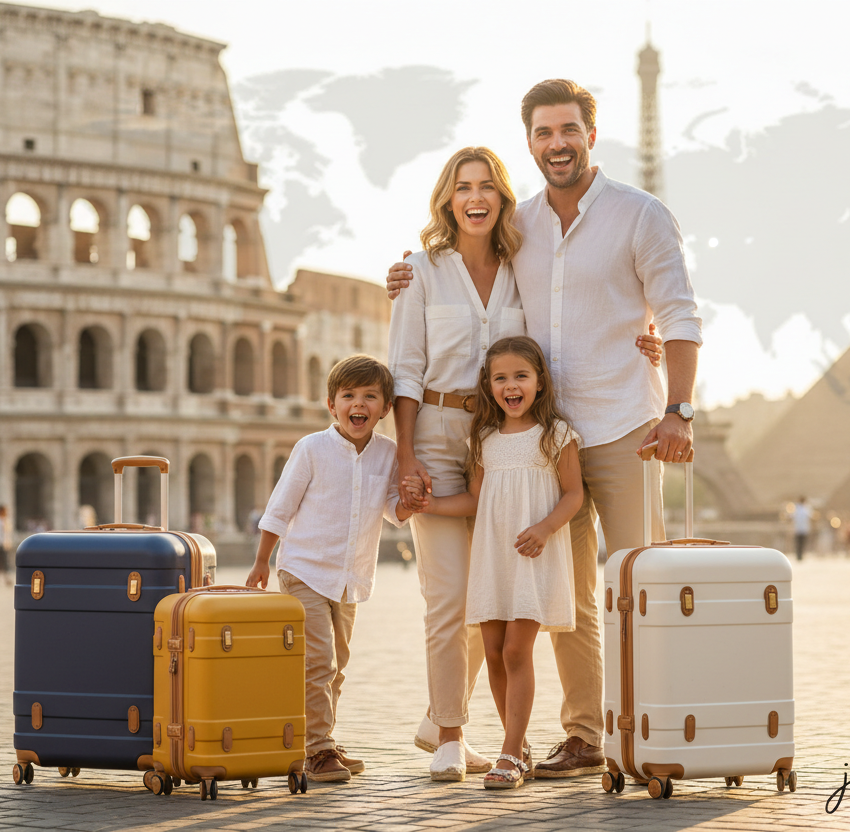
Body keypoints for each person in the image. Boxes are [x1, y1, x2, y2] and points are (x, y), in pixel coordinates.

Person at [387, 79, 701, 778]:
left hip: (623, 426)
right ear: (529, 143)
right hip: (536, 441)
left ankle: (652, 726)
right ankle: (584, 733)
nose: (556, 144)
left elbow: (678, 310)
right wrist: (406, 276)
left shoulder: (641, 214)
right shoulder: (517, 227)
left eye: (568, 130)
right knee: (566, 600)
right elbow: (454, 271)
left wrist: (678, 407)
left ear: (591, 133)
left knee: (636, 585)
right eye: (543, 133)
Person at [407, 337, 583, 790]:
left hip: (532, 557)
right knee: (492, 654)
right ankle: (517, 747)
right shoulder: (483, 438)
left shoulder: (557, 435)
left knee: (516, 652)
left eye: (521, 376)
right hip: (492, 559)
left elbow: (574, 494)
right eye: (500, 378)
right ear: (488, 386)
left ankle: (509, 752)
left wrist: (545, 528)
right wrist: (430, 505)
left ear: (540, 382)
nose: (511, 386)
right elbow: (475, 499)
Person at [245, 355, 414, 784]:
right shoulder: (311, 448)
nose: (358, 404)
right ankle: (317, 749)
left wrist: (410, 503)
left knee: (337, 666)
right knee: (318, 661)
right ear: (331, 404)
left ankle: (321, 740)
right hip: (304, 570)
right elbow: (280, 508)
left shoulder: (388, 453)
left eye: (370, 397)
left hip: (349, 578)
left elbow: (392, 509)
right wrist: (262, 560)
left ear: (386, 407)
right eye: (348, 395)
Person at [790, 497, 812, 561]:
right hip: (801, 529)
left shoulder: (801, 508)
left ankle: (800, 555)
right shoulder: (806, 508)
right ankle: (799, 555)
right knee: (800, 543)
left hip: (800, 529)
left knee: (800, 543)